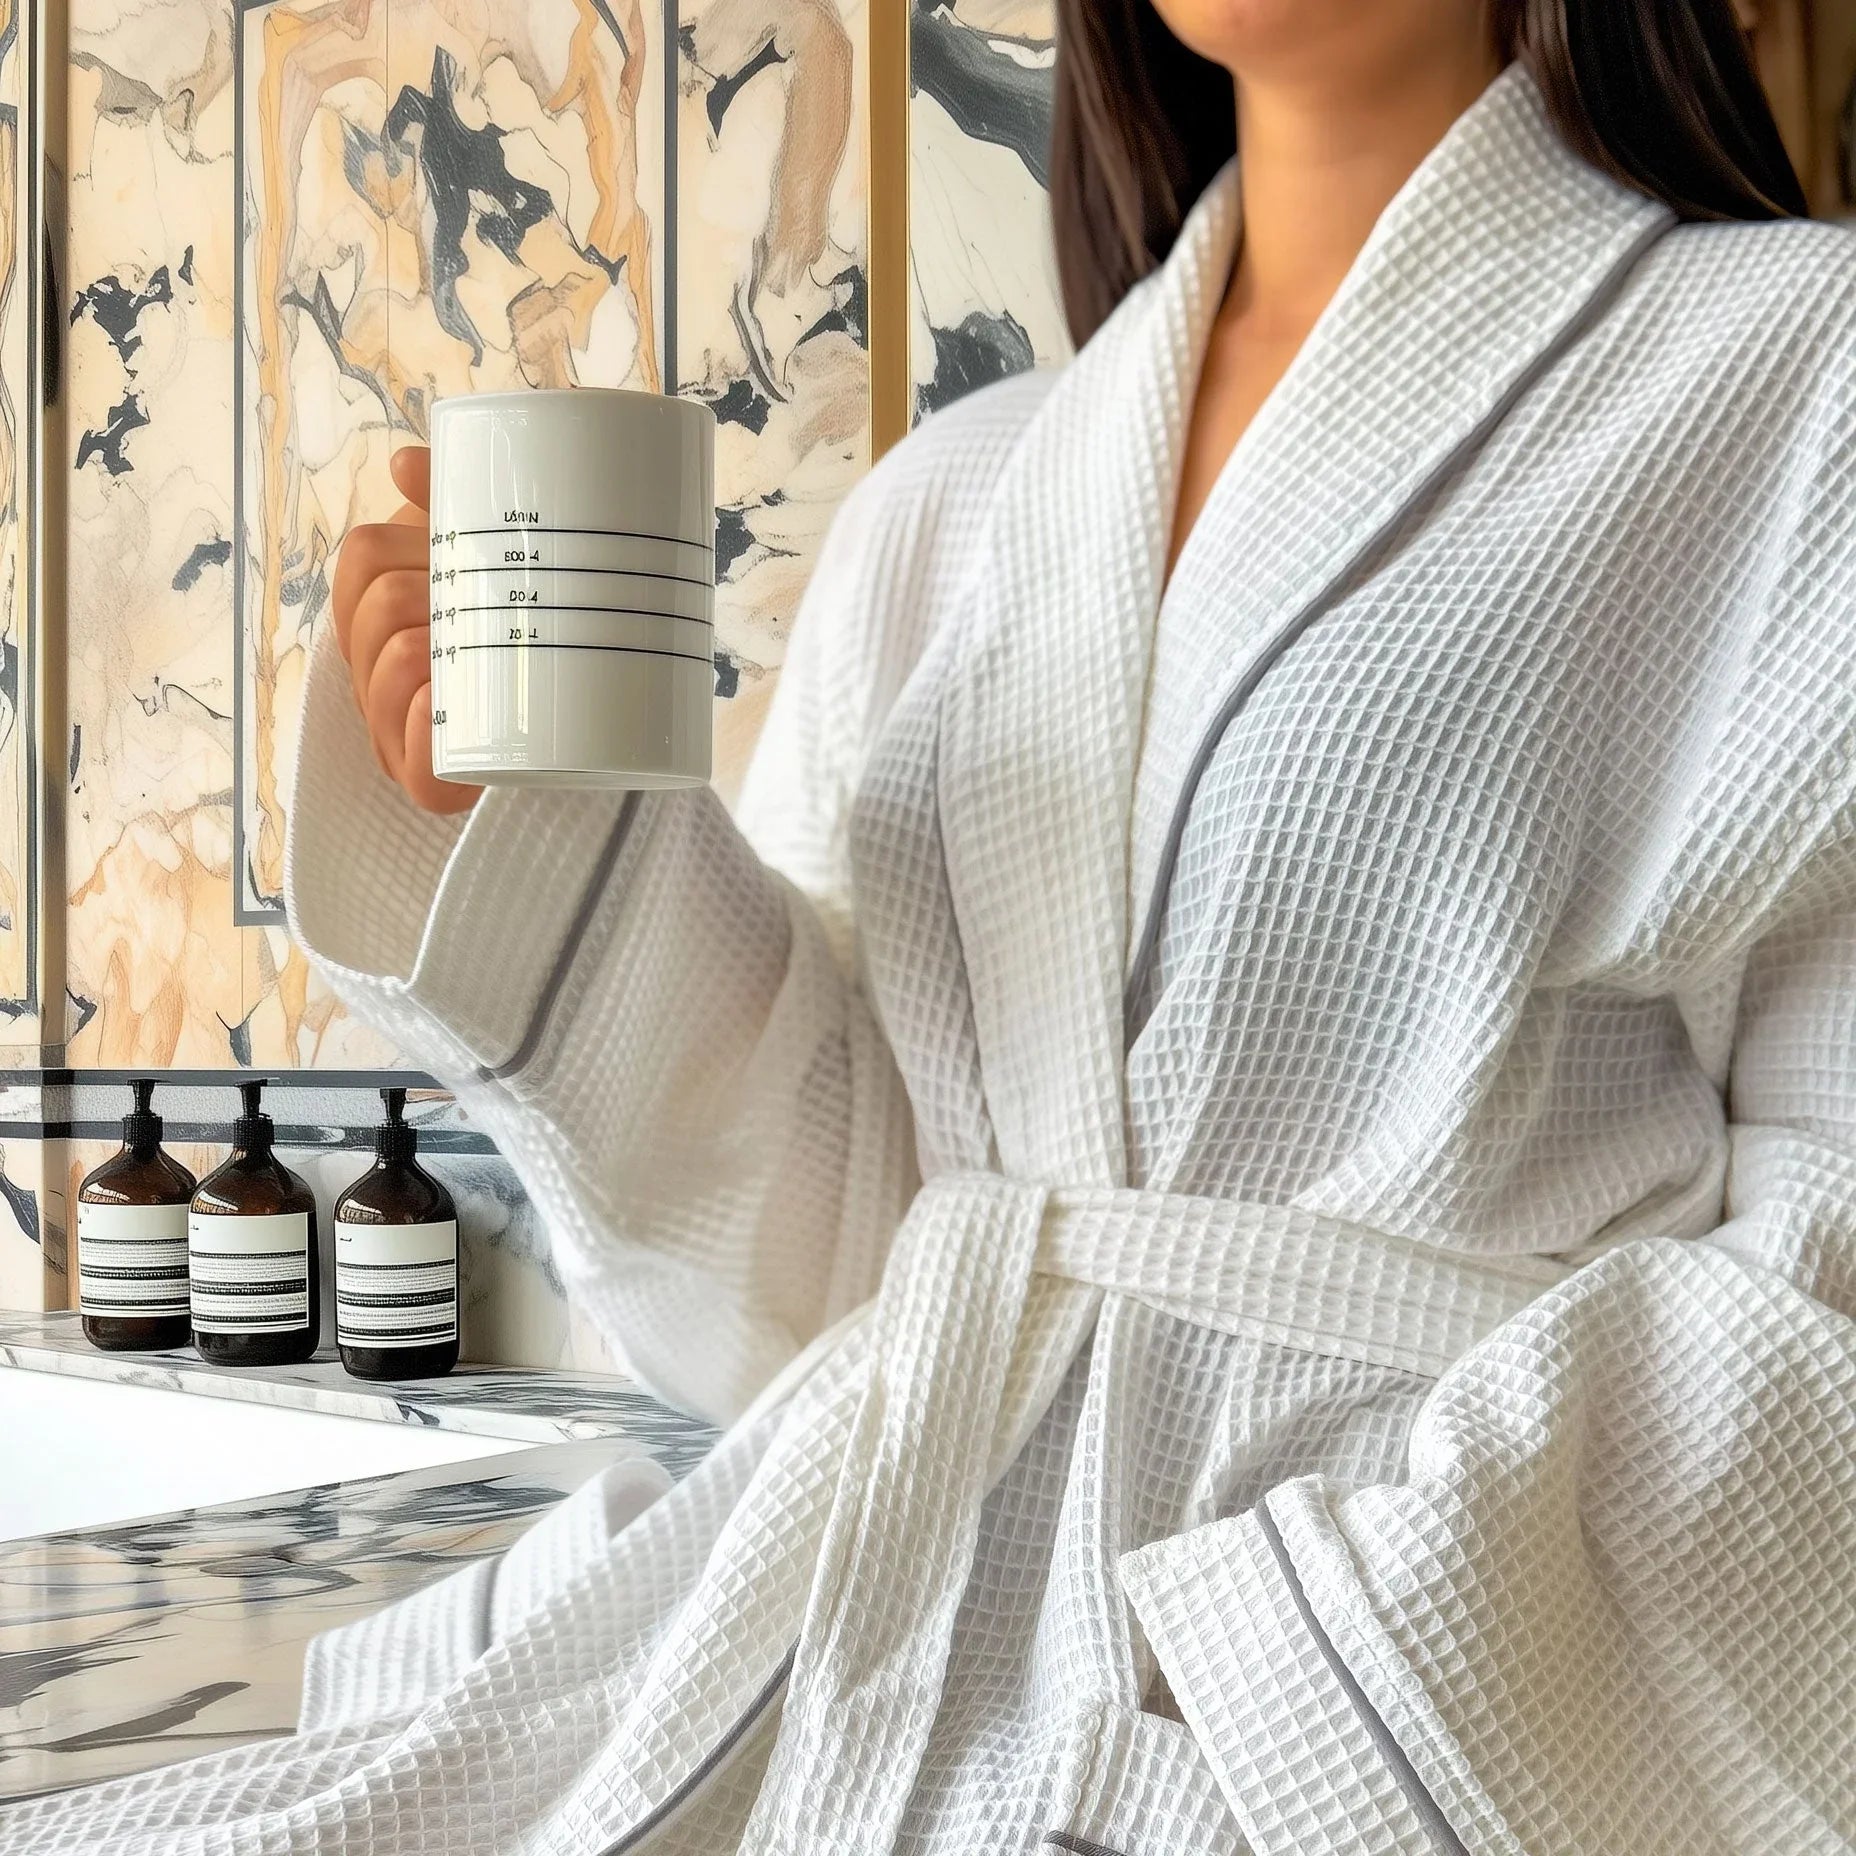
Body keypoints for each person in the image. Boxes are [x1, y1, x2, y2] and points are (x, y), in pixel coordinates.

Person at [11, 1, 1856, 1850]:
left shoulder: (1800, 377)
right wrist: (543, 848)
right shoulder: (952, 505)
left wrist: (1296, 1677)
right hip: (901, 1656)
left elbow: (1829, 1273)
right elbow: (832, 1291)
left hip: (1354, 1711)